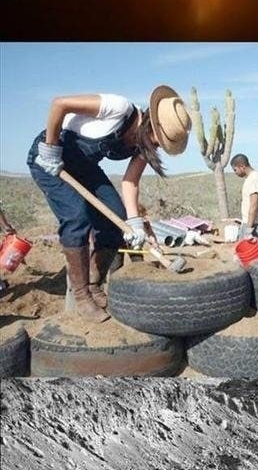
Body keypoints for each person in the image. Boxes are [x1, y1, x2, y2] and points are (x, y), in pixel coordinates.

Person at [26, 80, 177, 312]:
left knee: (116, 219)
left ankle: (94, 284)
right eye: (158, 139)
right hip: (48, 157)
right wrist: (50, 149)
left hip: (84, 167)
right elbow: (59, 104)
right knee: (77, 217)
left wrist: (134, 224)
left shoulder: (146, 145)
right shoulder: (118, 107)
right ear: (151, 124)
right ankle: (81, 295)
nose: (157, 146)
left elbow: (130, 182)